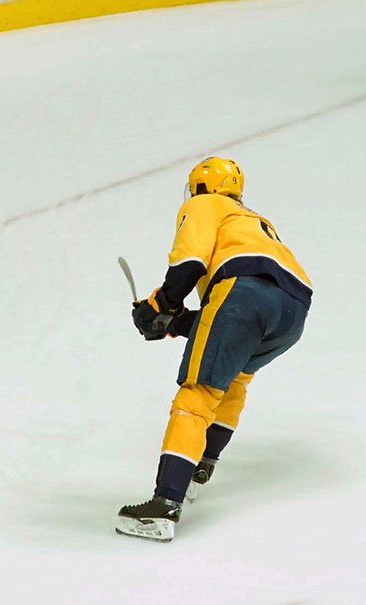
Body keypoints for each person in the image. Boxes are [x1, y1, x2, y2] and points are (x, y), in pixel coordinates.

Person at [116, 157, 311, 542]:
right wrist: (173, 322)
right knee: (235, 376)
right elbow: (223, 327)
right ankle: (201, 465)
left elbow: (191, 264)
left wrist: (160, 307)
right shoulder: (257, 222)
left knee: (198, 391)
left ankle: (165, 504)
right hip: (294, 309)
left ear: (200, 187)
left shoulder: (205, 204)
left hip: (242, 294)